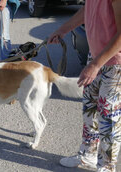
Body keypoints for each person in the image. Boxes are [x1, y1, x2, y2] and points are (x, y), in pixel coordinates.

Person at [48, 0, 121, 172]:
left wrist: (95, 65)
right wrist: (63, 29)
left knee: (108, 116)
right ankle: (88, 154)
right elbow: (87, 9)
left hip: (115, 63)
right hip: (96, 56)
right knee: (90, 108)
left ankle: (107, 166)